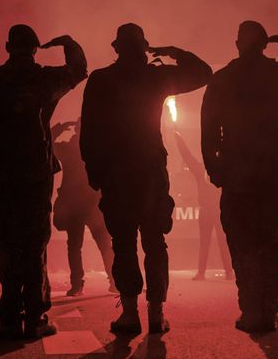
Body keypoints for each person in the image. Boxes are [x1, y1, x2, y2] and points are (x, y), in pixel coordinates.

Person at [80, 23, 212, 334]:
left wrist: (96, 174)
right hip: (151, 173)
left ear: (117, 48)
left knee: (123, 243)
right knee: (154, 242)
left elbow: (89, 132)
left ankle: (129, 313)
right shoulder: (156, 77)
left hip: (117, 174)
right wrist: (173, 52)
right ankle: (156, 313)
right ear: (144, 48)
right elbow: (203, 73)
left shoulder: (101, 80)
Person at [201, 22, 278, 332]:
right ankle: (268, 307)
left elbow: (208, 130)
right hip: (270, 169)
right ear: (264, 44)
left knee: (242, 241)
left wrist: (215, 169)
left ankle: (250, 307)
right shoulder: (277, 74)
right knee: (270, 241)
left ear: (237, 44)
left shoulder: (223, 78)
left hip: (238, 170)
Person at [0, 26, 87, 340]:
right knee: (34, 245)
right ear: (35, 48)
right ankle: (36, 316)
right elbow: (78, 69)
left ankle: (9, 318)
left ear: (8, 47)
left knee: (6, 244)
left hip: (2, 175)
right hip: (35, 174)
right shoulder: (44, 79)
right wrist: (68, 43)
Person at [51, 119, 115, 296]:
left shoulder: (69, 148)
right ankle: (114, 281)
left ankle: (77, 284)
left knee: (75, 247)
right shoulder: (97, 147)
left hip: (76, 205)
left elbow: (48, 142)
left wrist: (60, 128)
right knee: (104, 244)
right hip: (93, 203)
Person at [173, 131, 232, 281]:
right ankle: (204, 272)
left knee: (222, 241)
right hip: (208, 211)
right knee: (207, 242)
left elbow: (189, 158)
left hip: (218, 210)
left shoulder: (219, 171)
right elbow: (188, 157)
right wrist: (179, 141)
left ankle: (228, 271)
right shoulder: (202, 170)